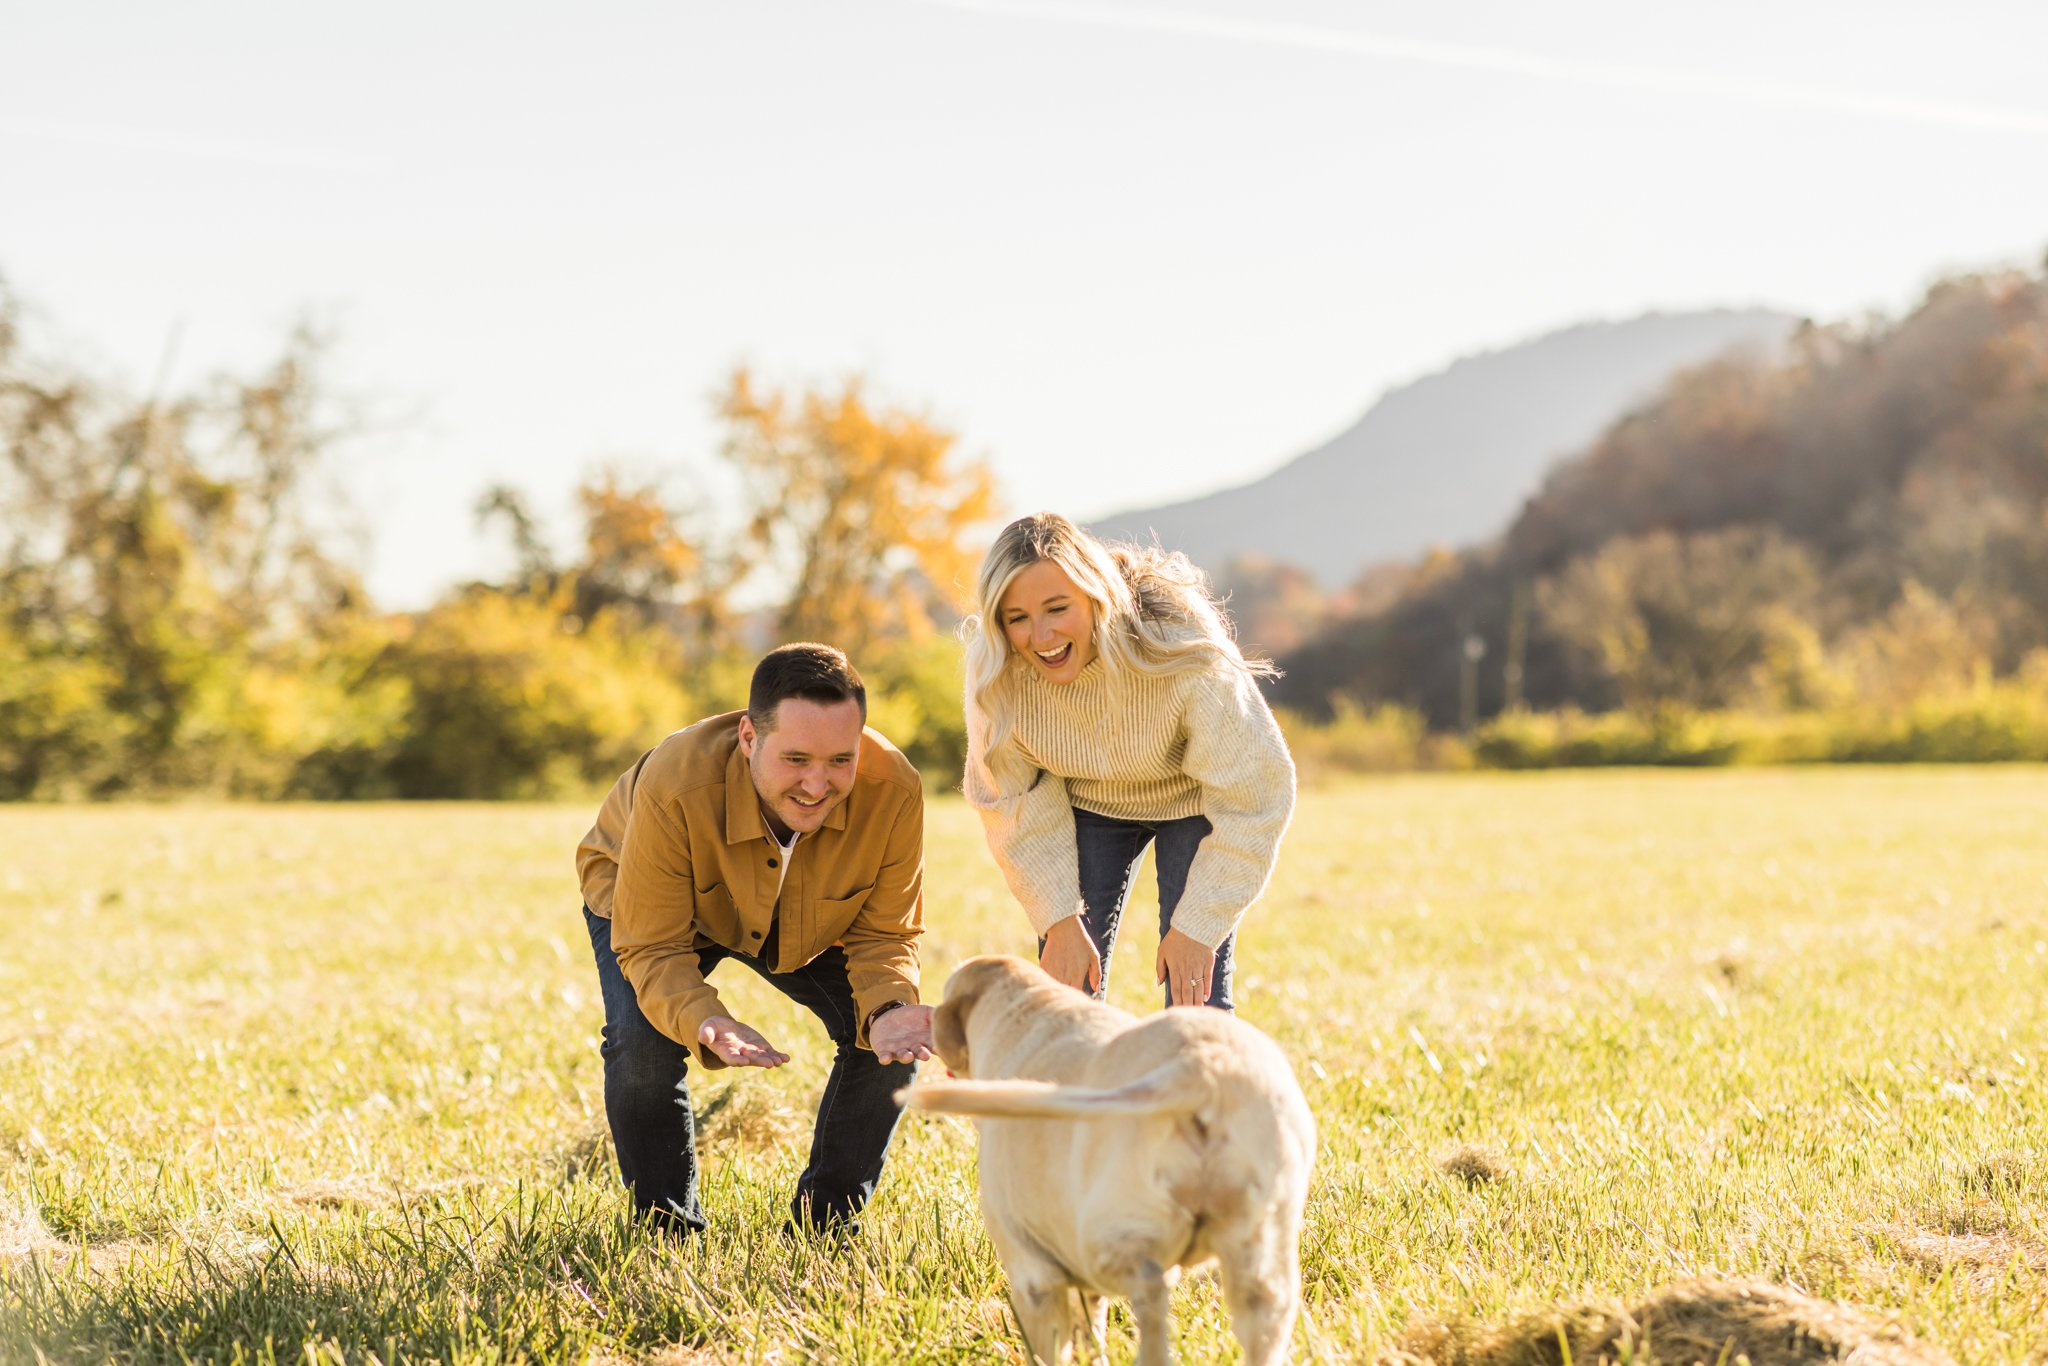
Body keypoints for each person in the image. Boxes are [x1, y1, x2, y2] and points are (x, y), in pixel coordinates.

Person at [576, 642, 935, 1237]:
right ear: (748, 737)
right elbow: (655, 947)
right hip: (664, 905)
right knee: (642, 1045)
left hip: (807, 917)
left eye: (840, 761)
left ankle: (823, 1228)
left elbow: (883, 935)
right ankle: (667, 1232)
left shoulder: (895, 791)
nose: (817, 785)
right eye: (795, 759)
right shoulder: (674, 784)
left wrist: (890, 1006)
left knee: (887, 1037)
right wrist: (703, 1018)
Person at [962, 511, 1296, 1013]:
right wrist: (1058, 918)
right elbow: (1011, 800)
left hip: (1193, 799)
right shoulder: (997, 675)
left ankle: (1201, 1087)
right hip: (1086, 803)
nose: (1042, 636)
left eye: (1058, 608)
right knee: (1065, 998)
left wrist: (1197, 926)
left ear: (1094, 597)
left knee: (1196, 1002)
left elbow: (1254, 798)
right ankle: (1074, 1091)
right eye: (1018, 618)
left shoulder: (1177, 644)